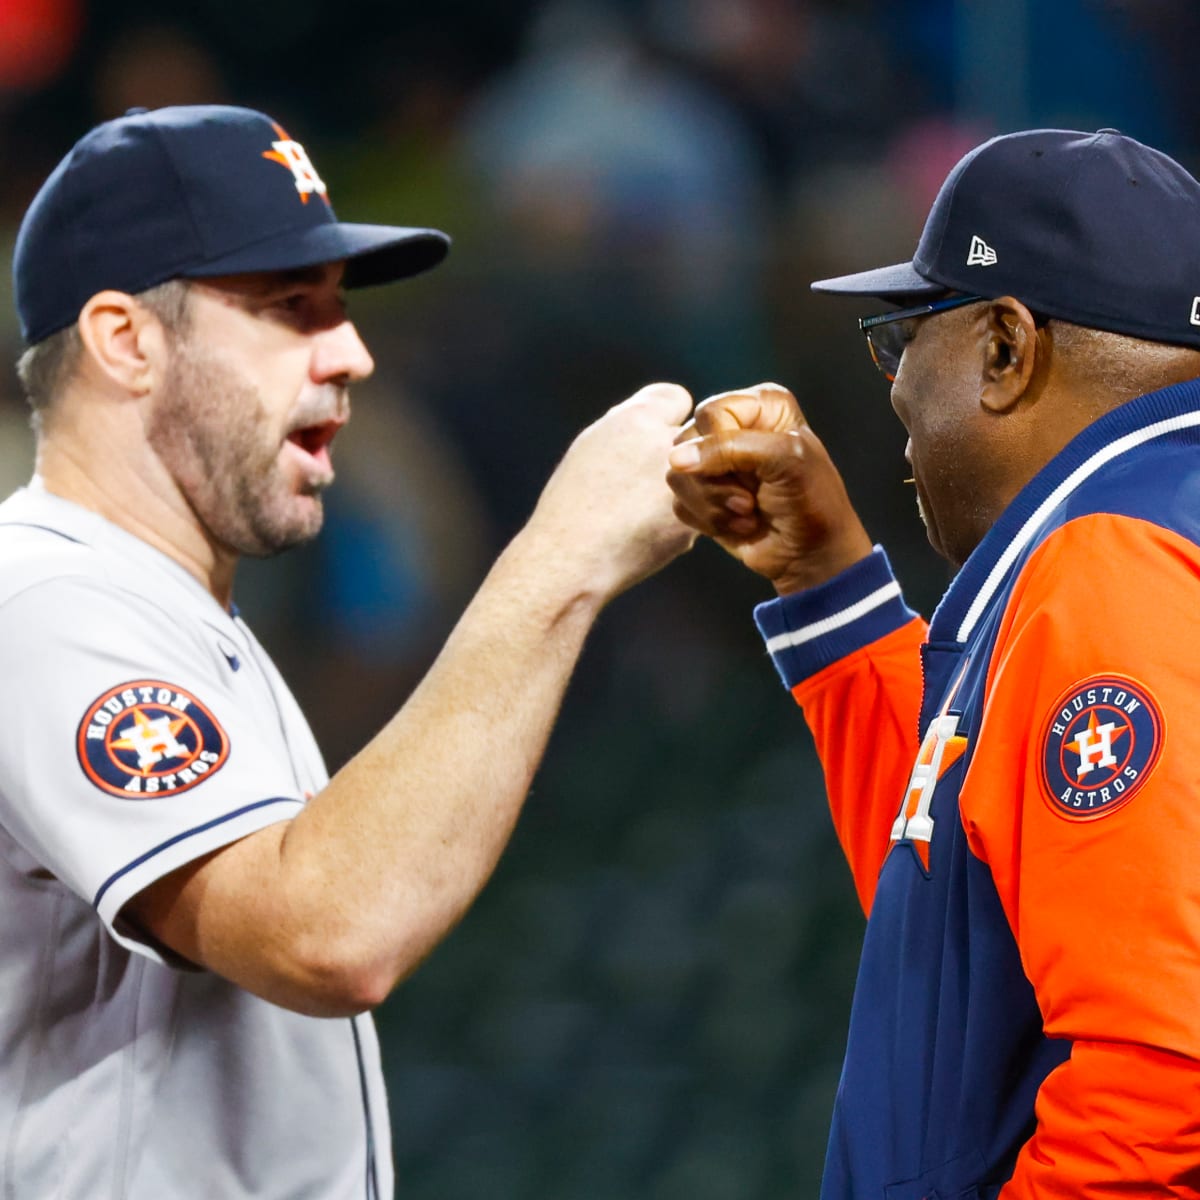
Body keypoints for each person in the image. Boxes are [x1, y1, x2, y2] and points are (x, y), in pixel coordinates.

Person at [0, 104, 695, 1198]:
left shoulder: (164, 611)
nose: (354, 351)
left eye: (340, 309)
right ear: (125, 341)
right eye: (289, 309)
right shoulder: (43, 601)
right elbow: (329, 932)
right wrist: (560, 556)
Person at [668, 128, 1200, 1197]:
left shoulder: (1113, 560)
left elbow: (1164, 1077)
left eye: (907, 335)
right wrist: (828, 584)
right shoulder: (1146, 525)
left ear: (1006, 348)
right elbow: (967, 917)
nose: (899, 387)